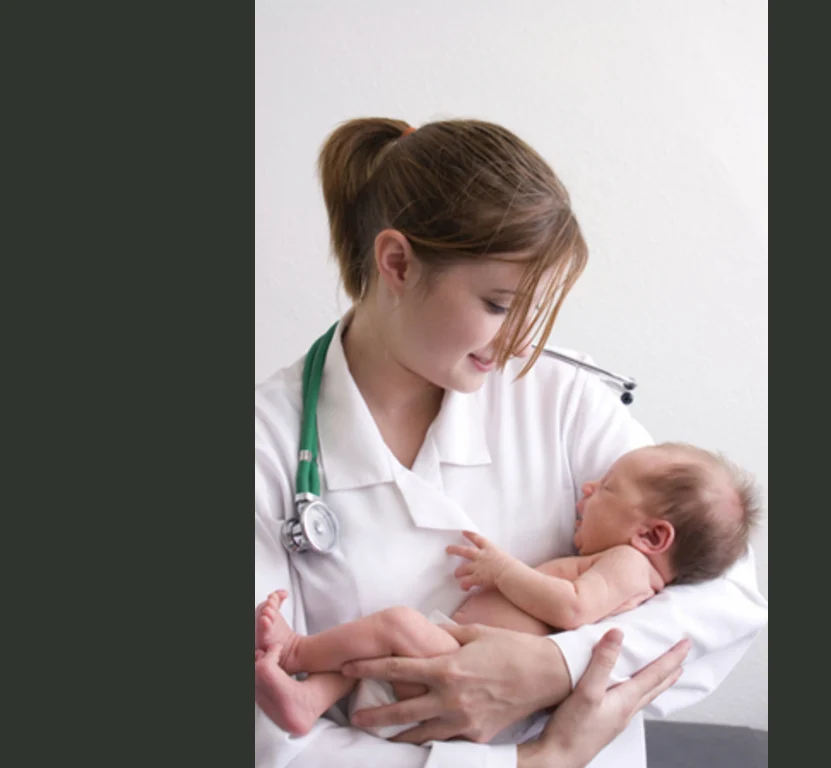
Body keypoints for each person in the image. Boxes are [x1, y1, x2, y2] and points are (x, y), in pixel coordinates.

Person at [255, 117, 769, 767]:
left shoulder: (562, 395)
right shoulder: (268, 445)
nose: (523, 340)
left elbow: (723, 592)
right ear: (397, 264)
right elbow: (271, 744)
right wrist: (535, 763)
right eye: (499, 306)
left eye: (535, 309)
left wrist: (553, 667)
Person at [254, 442, 759, 738]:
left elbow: (575, 608)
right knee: (376, 649)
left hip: (457, 671)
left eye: (606, 488)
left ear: (651, 536)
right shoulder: (622, 560)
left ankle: (296, 651)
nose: (587, 489)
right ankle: (310, 698)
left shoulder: (628, 564)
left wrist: (503, 571)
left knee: (395, 625)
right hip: (449, 661)